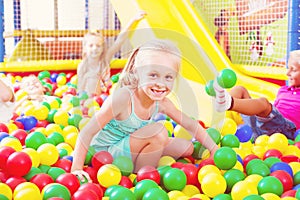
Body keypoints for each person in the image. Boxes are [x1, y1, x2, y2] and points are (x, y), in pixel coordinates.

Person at [71, 39, 219, 181]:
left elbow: (190, 124)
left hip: (128, 146)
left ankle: (146, 160)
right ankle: (141, 176)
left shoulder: (162, 103)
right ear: (137, 72)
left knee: (186, 148)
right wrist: (76, 167)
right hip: (106, 154)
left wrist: (214, 150)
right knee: (158, 132)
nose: (161, 84)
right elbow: (87, 131)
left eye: (168, 77)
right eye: (153, 75)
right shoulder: (123, 97)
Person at [213, 50, 300, 140]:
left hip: (284, 131)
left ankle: (227, 103)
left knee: (264, 103)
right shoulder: (283, 90)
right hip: (263, 127)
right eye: (288, 68)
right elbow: (275, 109)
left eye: (293, 69)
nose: (287, 73)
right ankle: (217, 119)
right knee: (240, 90)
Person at [77, 11, 147, 96]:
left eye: (98, 46)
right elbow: (80, 88)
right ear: (85, 48)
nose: (95, 48)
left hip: (105, 94)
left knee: (125, 80)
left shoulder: (105, 58)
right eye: (91, 46)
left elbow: (119, 40)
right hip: (89, 98)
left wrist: (133, 20)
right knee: (92, 77)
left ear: (103, 48)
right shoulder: (83, 66)